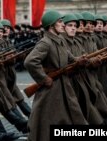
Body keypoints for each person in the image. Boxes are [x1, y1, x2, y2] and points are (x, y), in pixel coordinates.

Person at [24, 10, 88, 141]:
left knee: (72, 115)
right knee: (48, 120)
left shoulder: (60, 40)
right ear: (51, 25)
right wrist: (43, 78)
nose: (63, 24)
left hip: (64, 86)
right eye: (60, 22)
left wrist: (79, 60)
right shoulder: (45, 42)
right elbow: (30, 62)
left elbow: (70, 58)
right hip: (52, 89)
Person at [1, 19, 32, 118]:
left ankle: (32, 117)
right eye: (3, 28)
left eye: (8, 28)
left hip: (10, 75)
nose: (6, 30)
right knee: (9, 102)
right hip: (1, 77)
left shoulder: (8, 41)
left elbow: (13, 55)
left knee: (19, 98)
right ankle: (22, 124)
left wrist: (19, 57)